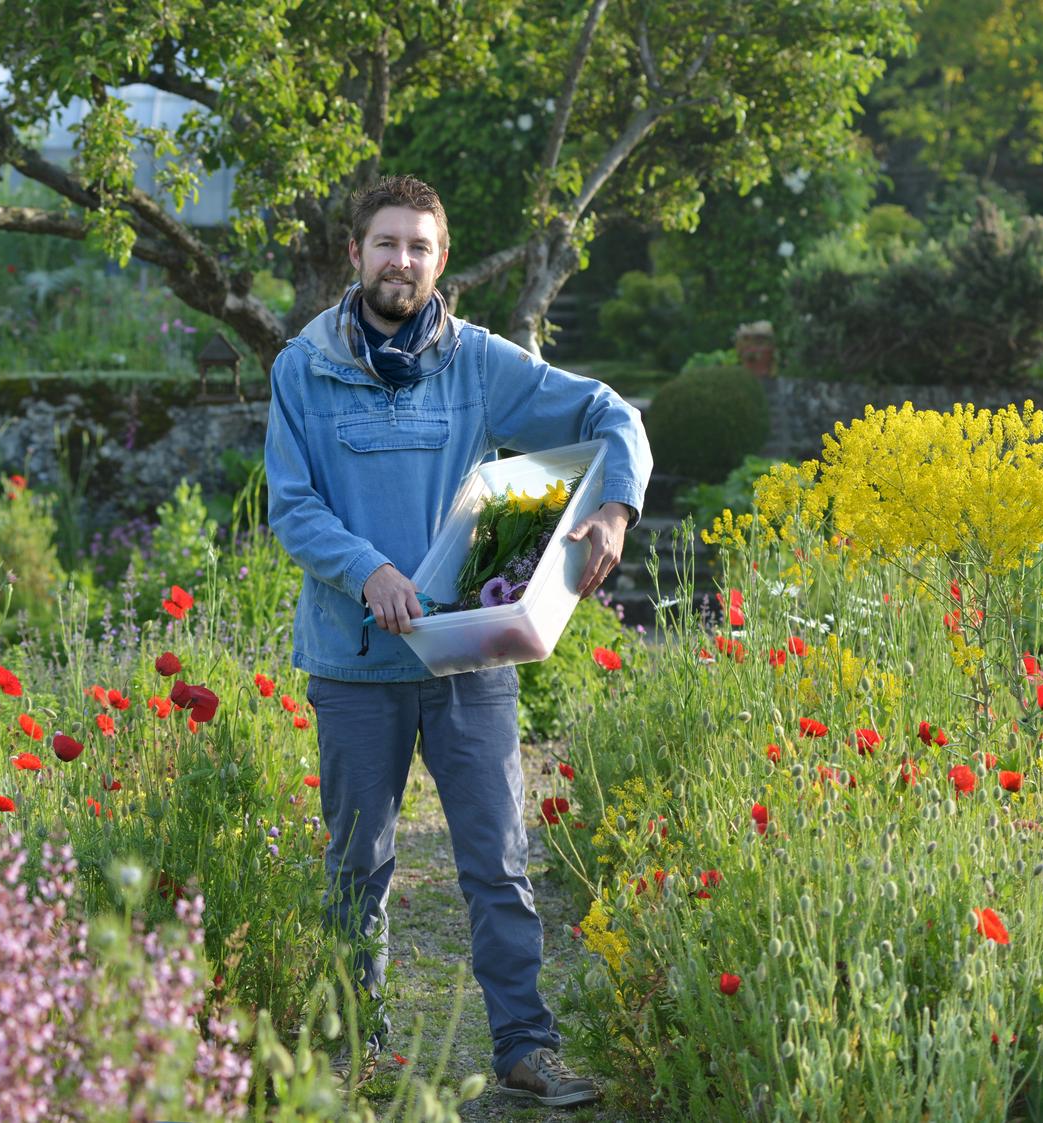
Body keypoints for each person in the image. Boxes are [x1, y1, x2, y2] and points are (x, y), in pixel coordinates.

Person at [263, 174, 652, 1109]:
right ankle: (357, 1046)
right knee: (357, 865)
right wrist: (368, 569)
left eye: (420, 247)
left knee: (497, 858)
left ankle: (525, 1046)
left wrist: (615, 508)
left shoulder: (478, 363)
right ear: (355, 253)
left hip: (470, 655)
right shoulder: (303, 367)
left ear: (442, 261)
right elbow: (293, 505)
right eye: (386, 243)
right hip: (356, 660)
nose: (402, 261)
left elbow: (614, 415)